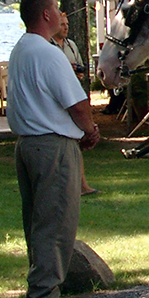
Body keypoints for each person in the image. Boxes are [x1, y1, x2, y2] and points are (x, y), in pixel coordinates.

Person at [7, 0, 100, 298]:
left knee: (36, 220)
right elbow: (76, 102)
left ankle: (40, 292)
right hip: (52, 146)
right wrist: (89, 131)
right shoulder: (48, 54)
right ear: (45, 15)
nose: (61, 14)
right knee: (56, 222)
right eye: (56, 9)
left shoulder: (20, 50)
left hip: (27, 144)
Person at [51, 12, 96, 196]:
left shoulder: (71, 45)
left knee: (75, 140)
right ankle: (70, 184)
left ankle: (82, 184)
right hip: (57, 100)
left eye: (67, 24)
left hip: (72, 94)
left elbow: (80, 68)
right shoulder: (48, 47)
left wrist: (77, 72)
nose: (66, 27)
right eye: (62, 24)